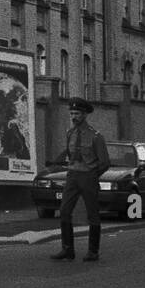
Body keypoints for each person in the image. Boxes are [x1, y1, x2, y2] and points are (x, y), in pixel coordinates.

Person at [50, 98, 110, 262]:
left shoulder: (95, 136)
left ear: (84, 115)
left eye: (77, 113)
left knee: (93, 213)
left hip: (88, 176)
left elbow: (104, 162)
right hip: (72, 176)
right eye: (71, 113)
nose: (73, 116)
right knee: (64, 211)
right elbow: (70, 156)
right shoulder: (70, 133)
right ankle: (67, 249)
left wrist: (92, 174)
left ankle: (93, 251)